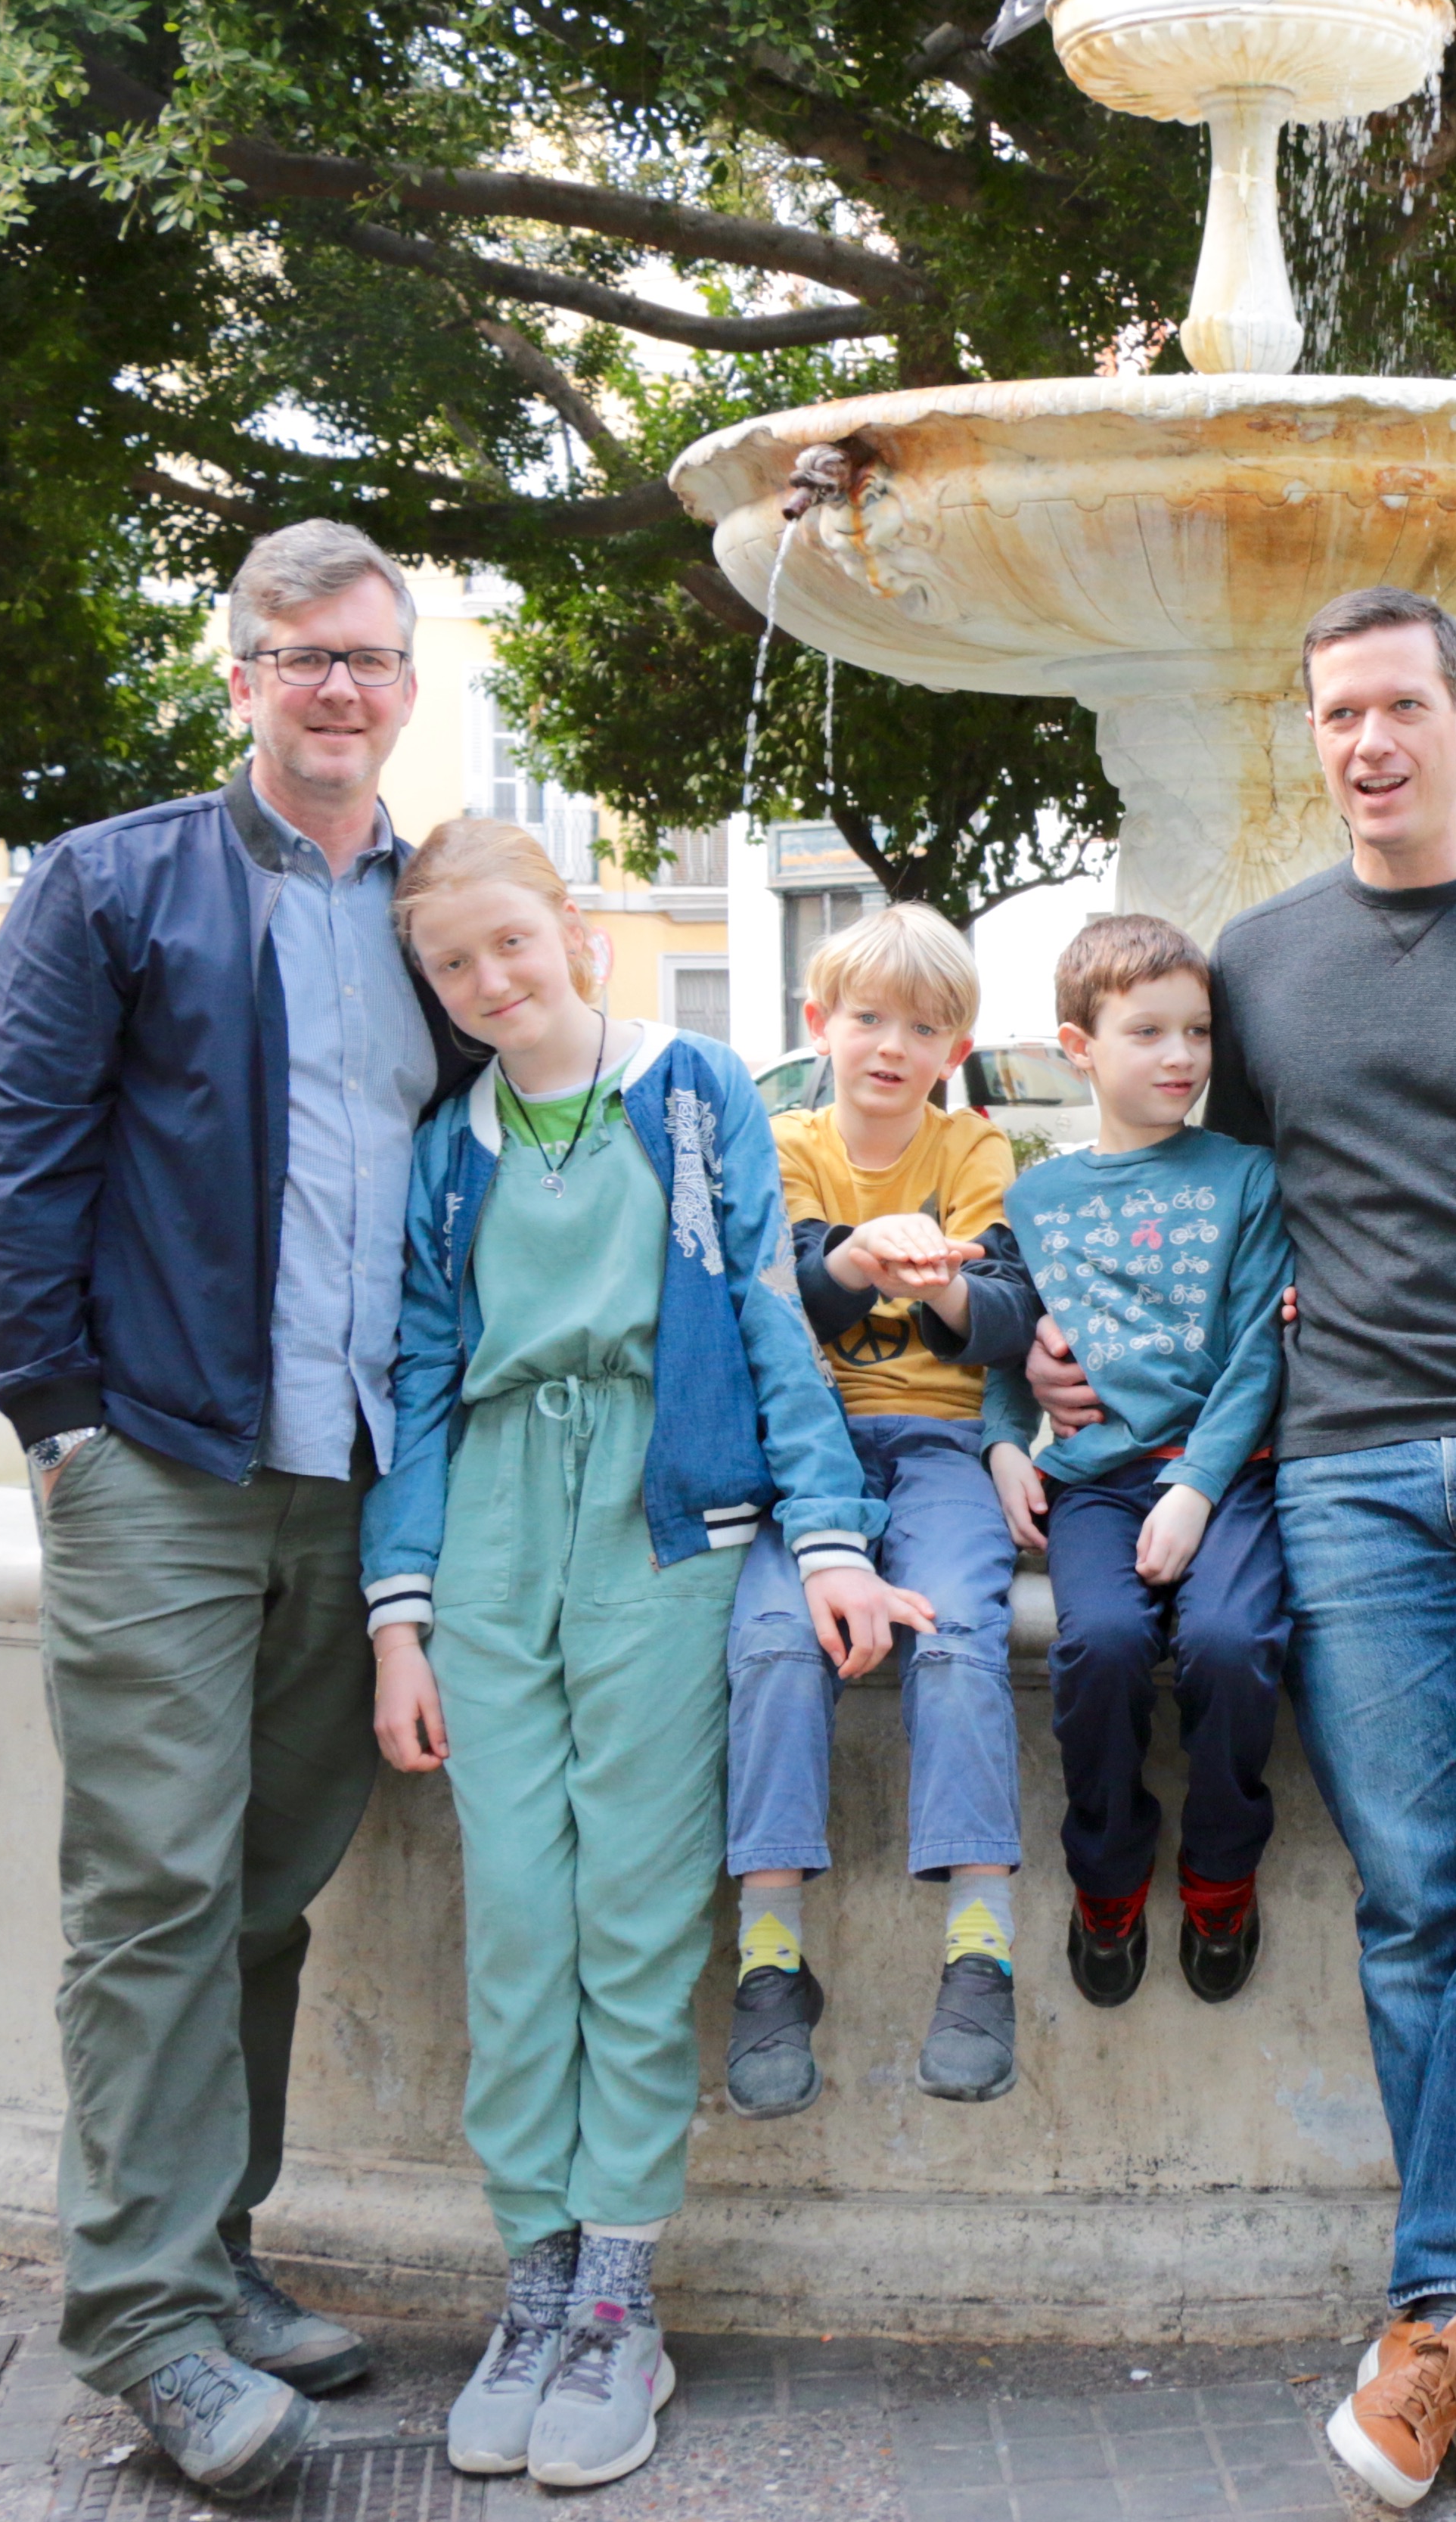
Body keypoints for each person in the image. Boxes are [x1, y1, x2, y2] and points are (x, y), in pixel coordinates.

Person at [1025, 587, 1456, 2522]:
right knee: (1413, 1891)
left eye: (1402, 704)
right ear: (1310, 734)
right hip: (1347, 1484)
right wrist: (1053, 1356)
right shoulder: (1261, 965)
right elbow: (1206, 1227)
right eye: (1337, 713)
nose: (1369, 741)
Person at [0, 520, 482, 2499]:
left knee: (261, 1895)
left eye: (367, 658)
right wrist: (60, 1422)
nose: (336, 688)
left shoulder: (440, 904)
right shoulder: (116, 885)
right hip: (164, 1473)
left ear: (405, 685)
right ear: (245, 673)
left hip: (353, 1493)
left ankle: (220, 2254)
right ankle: (147, 2331)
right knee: (151, 1895)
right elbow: (25, 1160)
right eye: (300, 656)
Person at [361, 820, 917, 2491]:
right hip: (491, 1541)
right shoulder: (447, 1143)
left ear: (572, 935)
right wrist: (402, 1613)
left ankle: (619, 2292)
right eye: (453, 967)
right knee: (519, 1912)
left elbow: (761, 1310)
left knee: (631, 1909)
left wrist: (832, 1535)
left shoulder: (688, 1092)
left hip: (663, 1528)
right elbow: (421, 1365)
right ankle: (529, 2278)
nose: (487, 983)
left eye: (509, 947)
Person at [722, 902, 1036, 2113]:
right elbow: (792, 1294)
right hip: (809, 1456)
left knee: (959, 1635)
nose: (891, 1045)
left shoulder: (970, 1153)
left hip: (943, 1443)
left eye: (923, 1026)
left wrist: (947, 1289)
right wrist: (859, 1263)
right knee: (766, 1644)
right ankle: (769, 1955)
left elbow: (1004, 1315)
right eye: (867, 1018)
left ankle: (980, 1942)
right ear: (820, 1025)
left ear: (954, 1048)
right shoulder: (788, 1140)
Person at [975, 912, 1293, 2007]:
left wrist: (1200, 1488)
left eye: (1197, 1033)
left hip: (1229, 1469)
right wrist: (1000, 1445)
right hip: (1097, 1482)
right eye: (1148, 1032)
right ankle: (1107, 1877)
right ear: (1080, 1046)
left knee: (1230, 1639)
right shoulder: (1037, 1198)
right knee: (1101, 1646)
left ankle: (1219, 1872)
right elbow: (1018, 1337)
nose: (1180, 1059)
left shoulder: (1247, 1178)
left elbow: (1262, 1346)